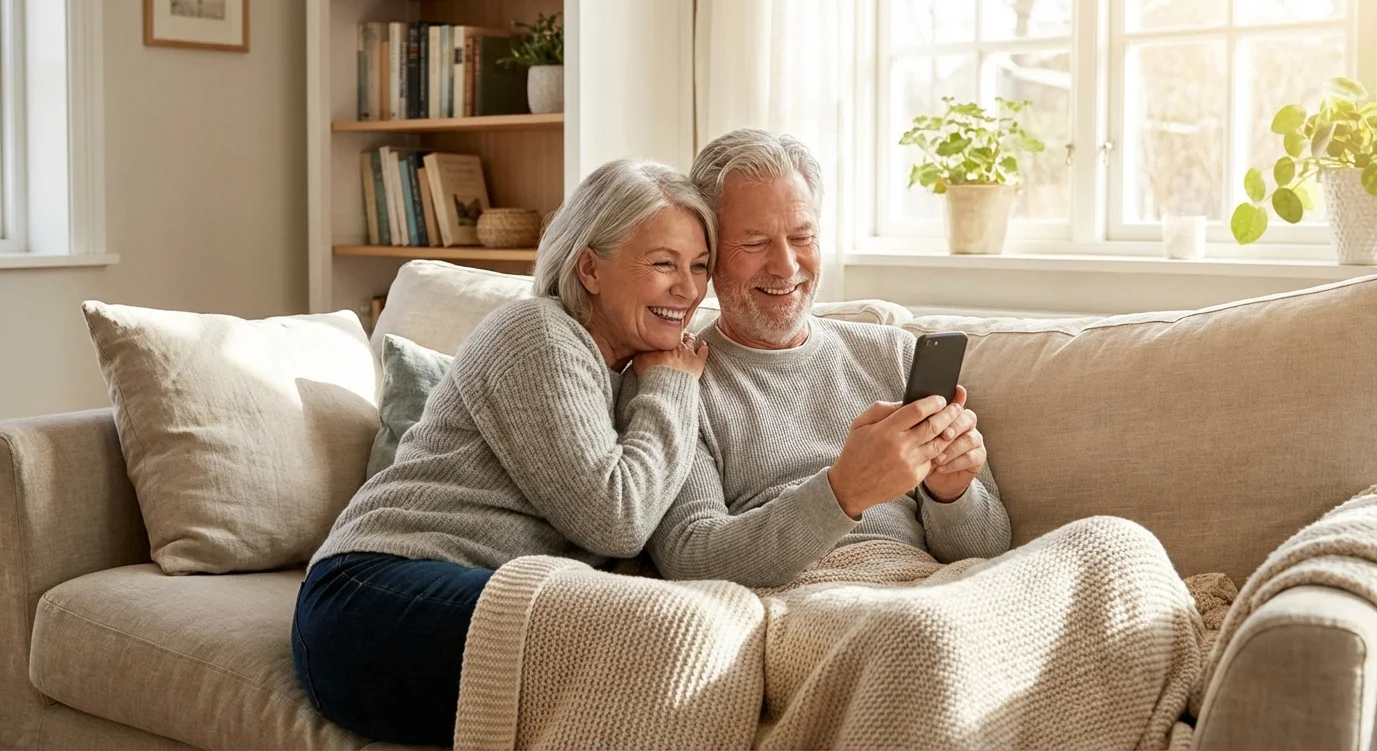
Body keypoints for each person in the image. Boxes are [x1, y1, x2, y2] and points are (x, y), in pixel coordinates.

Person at [291, 159, 716, 747]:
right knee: (643, 636)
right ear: (590, 267)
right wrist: (672, 387)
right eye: (664, 263)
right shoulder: (536, 333)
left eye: (700, 267)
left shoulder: (639, 368)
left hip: (478, 590)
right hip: (370, 592)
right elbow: (616, 520)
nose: (689, 289)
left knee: (685, 636)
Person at [636, 129, 1011, 588]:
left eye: (801, 237)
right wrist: (843, 491)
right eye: (755, 243)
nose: (787, 266)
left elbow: (990, 549)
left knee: (1109, 542)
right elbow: (691, 555)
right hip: (812, 593)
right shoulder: (677, 381)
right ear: (709, 256)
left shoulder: (892, 353)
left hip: (927, 585)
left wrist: (951, 494)